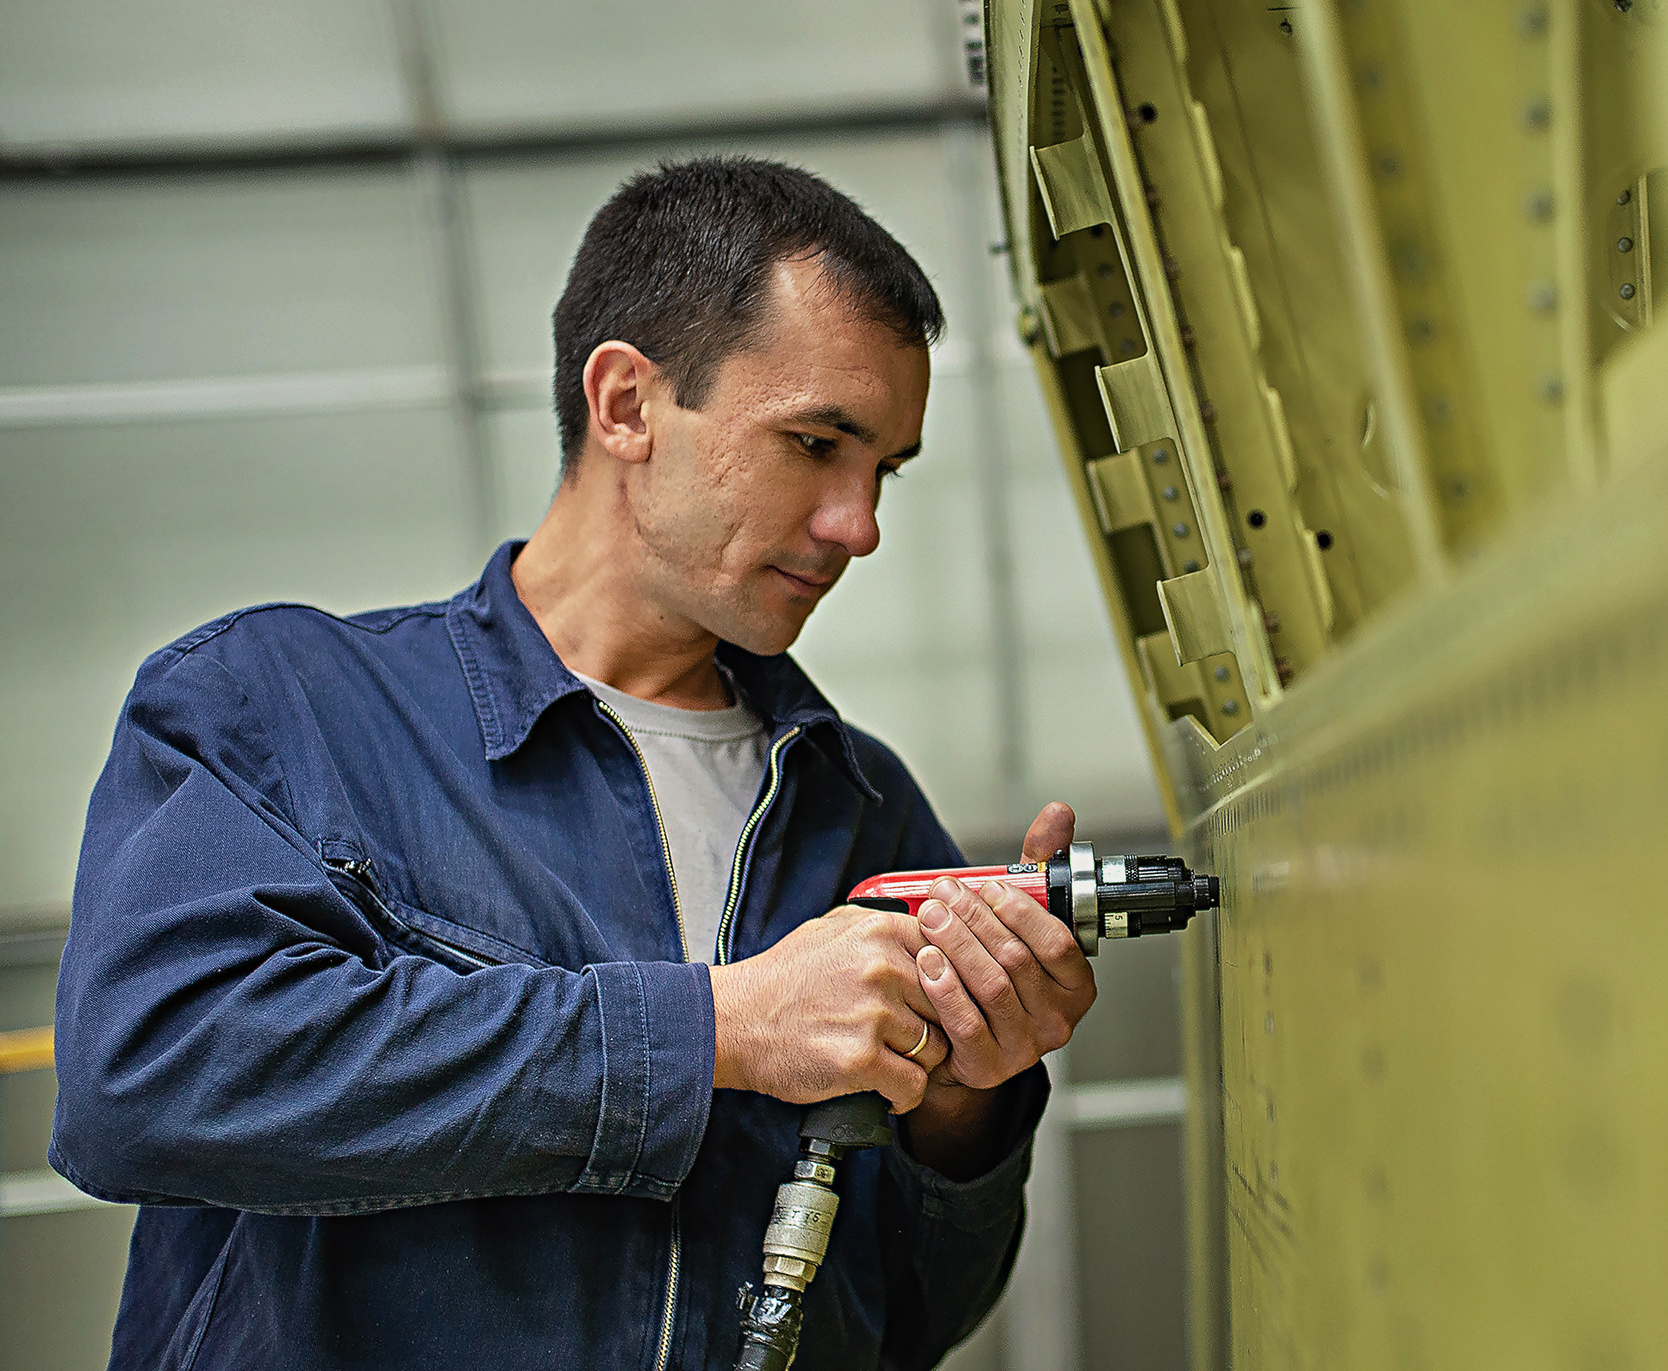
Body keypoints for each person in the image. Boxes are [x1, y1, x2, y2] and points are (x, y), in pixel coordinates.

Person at [49, 157, 1096, 1370]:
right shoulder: (283, 708)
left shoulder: (859, 808)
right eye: (816, 443)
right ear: (625, 403)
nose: (858, 524)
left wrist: (966, 1101)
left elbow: (901, 1316)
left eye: (885, 471)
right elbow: (148, 1076)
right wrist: (717, 1027)